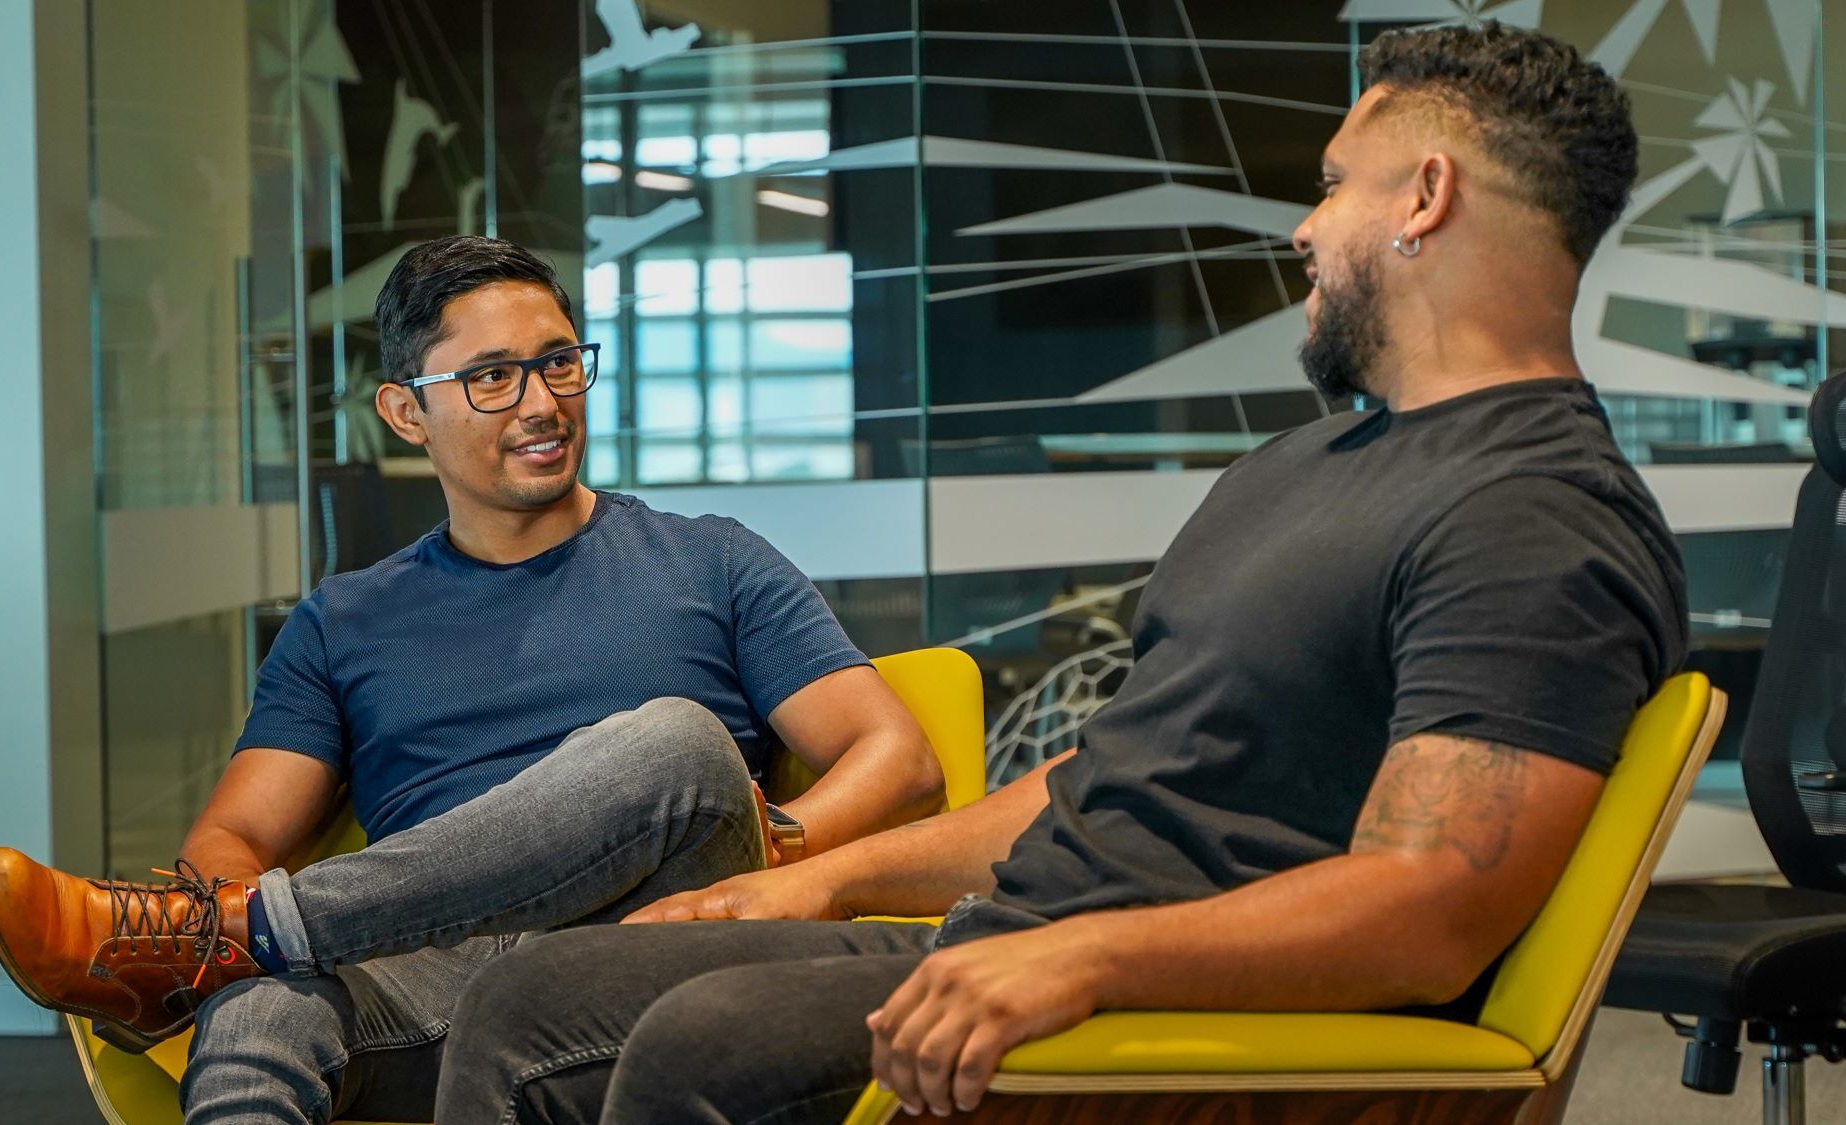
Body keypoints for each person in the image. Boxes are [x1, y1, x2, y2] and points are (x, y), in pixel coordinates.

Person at [430, 22, 1688, 1125]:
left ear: (1423, 195)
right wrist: (815, 879)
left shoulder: (1533, 513)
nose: (1304, 228)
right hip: (1023, 940)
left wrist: (1081, 962)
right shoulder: (1294, 468)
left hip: (1168, 1021)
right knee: (532, 990)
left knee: (709, 1052)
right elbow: (1101, 785)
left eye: (1330, 186)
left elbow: (1431, 910)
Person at [0, 236, 946, 1125]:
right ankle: (243, 946)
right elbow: (231, 833)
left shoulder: (710, 561)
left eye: (558, 362)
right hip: (441, 970)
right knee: (260, 1008)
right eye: (489, 377)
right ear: (405, 410)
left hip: (660, 946)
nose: (540, 403)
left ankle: (227, 933)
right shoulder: (343, 622)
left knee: (676, 742)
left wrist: (780, 852)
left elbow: (897, 760)